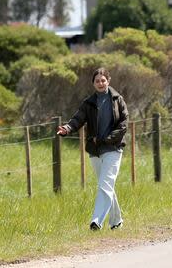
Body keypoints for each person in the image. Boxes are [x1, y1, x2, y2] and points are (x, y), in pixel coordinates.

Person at [56, 68, 128, 230]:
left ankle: (96, 221)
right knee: (106, 186)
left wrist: (107, 139)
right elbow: (78, 119)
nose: (101, 83)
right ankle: (116, 222)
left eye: (103, 80)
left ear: (108, 81)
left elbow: (123, 125)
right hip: (95, 150)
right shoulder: (89, 103)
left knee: (105, 184)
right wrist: (67, 128)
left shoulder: (118, 100)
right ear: (93, 84)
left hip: (113, 148)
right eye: (97, 81)